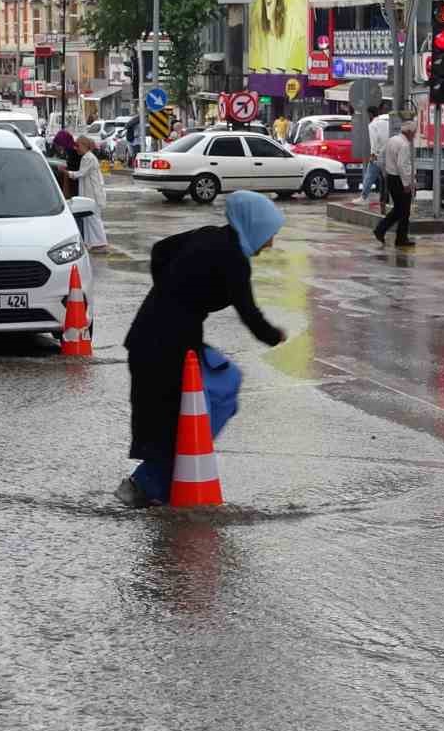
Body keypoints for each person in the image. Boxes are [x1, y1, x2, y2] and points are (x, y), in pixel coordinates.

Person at [117, 190, 288, 507]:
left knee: (213, 391)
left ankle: (157, 480)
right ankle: (146, 484)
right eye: (270, 234)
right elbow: (248, 312)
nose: (271, 242)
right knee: (187, 411)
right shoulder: (233, 257)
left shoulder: (209, 236)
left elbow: (160, 251)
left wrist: (170, 292)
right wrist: (274, 336)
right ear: (255, 226)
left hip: (154, 331)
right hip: (167, 343)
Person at [373, 120, 417, 248]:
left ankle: (382, 230)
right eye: (413, 132)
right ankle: (400, 238)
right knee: (404, 211)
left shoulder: (392, 140)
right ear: (408, 132)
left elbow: (380, 158)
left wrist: (385, 172)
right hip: (400, 180)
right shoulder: (404, 145)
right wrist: (407, 184)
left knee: (398, 209)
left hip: (391, 178)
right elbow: (402, 166)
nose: (414, 135)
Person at [67, 136, 109, 251]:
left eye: (78, 146)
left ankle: (100, 243)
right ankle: (93, 243)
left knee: (93, 219)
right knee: (90, 218)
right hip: (90, 193)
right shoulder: (88, 157)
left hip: (92, 194)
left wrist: (67, 173)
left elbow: (81, 173)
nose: (76, 149)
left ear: (84, 146)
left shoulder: (87, 158)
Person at [358, 107, 385, 207]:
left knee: (369, 175)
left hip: (378, 155)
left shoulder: (372, 125)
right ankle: (384, 198)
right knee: (385, 178)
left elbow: (374, 141)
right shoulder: (385, 122)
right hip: (389, 153)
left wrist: (373, 154)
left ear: (370, 115)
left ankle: (363, 197)